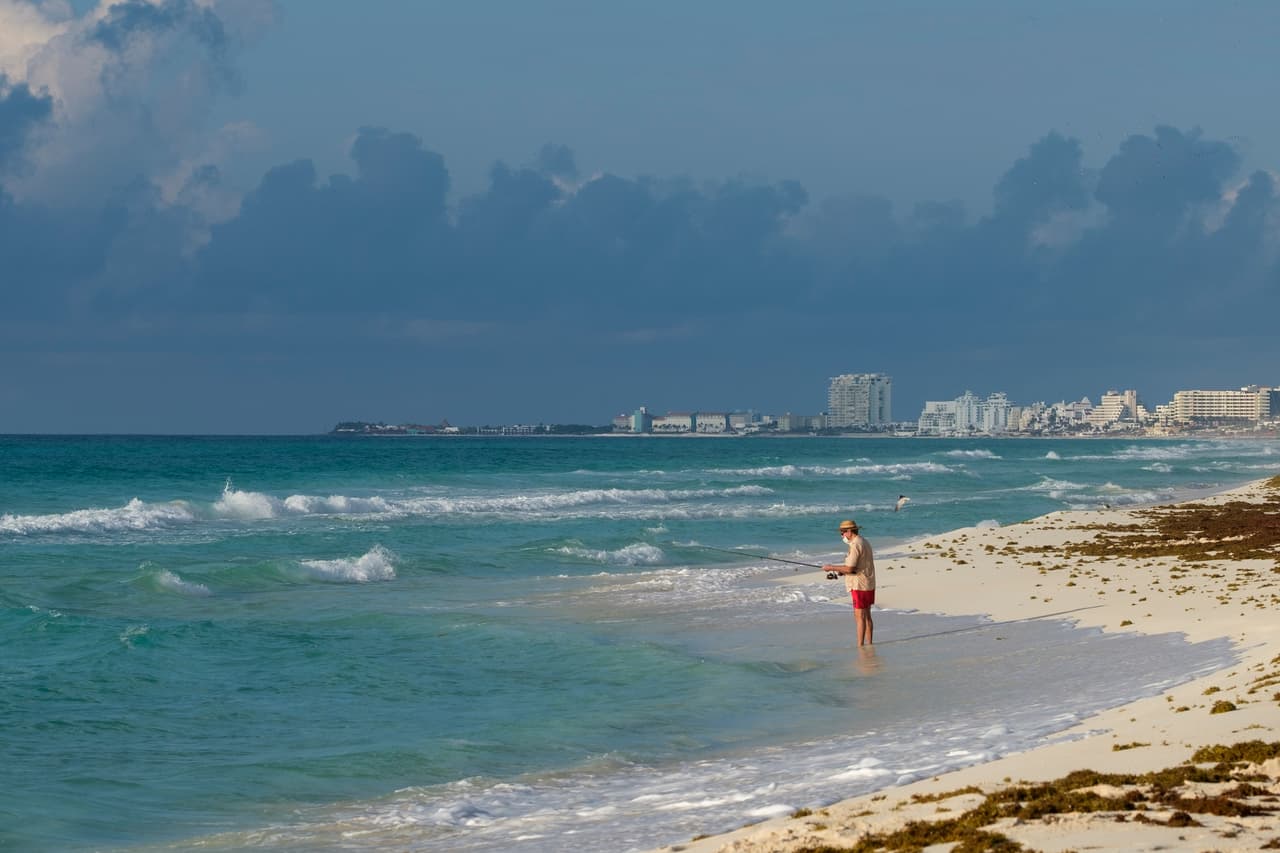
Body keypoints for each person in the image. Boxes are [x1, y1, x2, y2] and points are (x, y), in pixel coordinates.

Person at [822, 519, 875, 646]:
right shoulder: (864, 541)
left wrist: (831, 567)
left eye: (843, 532)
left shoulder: (855, 544)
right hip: (868, 583)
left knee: (859, 617)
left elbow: (850, 568)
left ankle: (860, 646)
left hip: (858, 585)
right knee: (867, 615)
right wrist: (842, 572)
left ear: (850, 531)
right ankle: (869, 644)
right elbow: (858, 566)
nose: (842, 535)